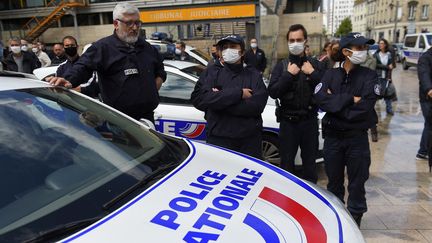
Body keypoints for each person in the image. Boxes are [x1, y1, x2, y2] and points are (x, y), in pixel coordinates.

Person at [48, 2, 166, 123]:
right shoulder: (103, 48)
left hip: (147, 120)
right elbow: (83, 66)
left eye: (137, 23)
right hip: (118, 122)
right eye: (129, 23)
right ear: (116, 24)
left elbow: (160, 71)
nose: (135, 27)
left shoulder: (147, 48)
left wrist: (151, 90)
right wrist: (69, 80)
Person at [314, 32, 378, 227]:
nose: (363, 52)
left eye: (364, 48)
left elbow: (365, 108)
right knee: (334, 182)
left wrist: (336, 104)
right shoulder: (331, 74)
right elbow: (321, 100)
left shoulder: (369, 75)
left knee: (357, 183)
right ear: (346, 51)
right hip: (333, 138)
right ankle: (337, 219)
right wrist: (350, 99)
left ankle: (355, 218)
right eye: (359, 48)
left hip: (357, 139)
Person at [191, 35, 268, 159]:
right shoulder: (211, 73)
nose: (228, 50)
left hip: (248, 142)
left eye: (232, 47)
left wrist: (218, 103)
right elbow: (199, 99)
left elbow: (257, 106)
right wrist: (239, 94)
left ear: (242, 52)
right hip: (218, 140)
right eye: (225, 47)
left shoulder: (253, 75)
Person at [268, 24, 324, 183]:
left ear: (305, 41)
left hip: (309, 122)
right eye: (292, 40)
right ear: (287, 42)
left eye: (299, 39)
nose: (295, 43)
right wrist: (287, 76)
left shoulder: (315, 65)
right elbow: (273, 92)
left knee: (310, 166)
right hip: (288, 124)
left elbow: (326, 90)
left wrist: (312, 73)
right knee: (286, 166)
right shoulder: (282, 66)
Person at [418, 45, 432, 166]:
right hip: (427, 98)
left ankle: (423, 151)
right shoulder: (425, 58)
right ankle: (423, 151)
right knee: (430, 123)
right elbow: (424, 75)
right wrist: (429, 89)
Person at [361, 47, 379, 142]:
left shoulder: (371, 60)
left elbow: (370, 73)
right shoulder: (353, 60)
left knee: (369, 109)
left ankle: (373, 131)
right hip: (356, 87)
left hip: (367, 88)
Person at [373, 38, 395, 115]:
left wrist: (389, 76)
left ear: (385, 45)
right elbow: (376, 65)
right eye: (379, 43)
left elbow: (391, 66)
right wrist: (386, 67)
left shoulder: (388, 54)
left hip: (386, 77)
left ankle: (389, 109)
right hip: (378, 77)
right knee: (376, 93)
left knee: (388, 93)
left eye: (382, 43)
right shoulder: (376, 54)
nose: (380, 45)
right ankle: (370, 109)